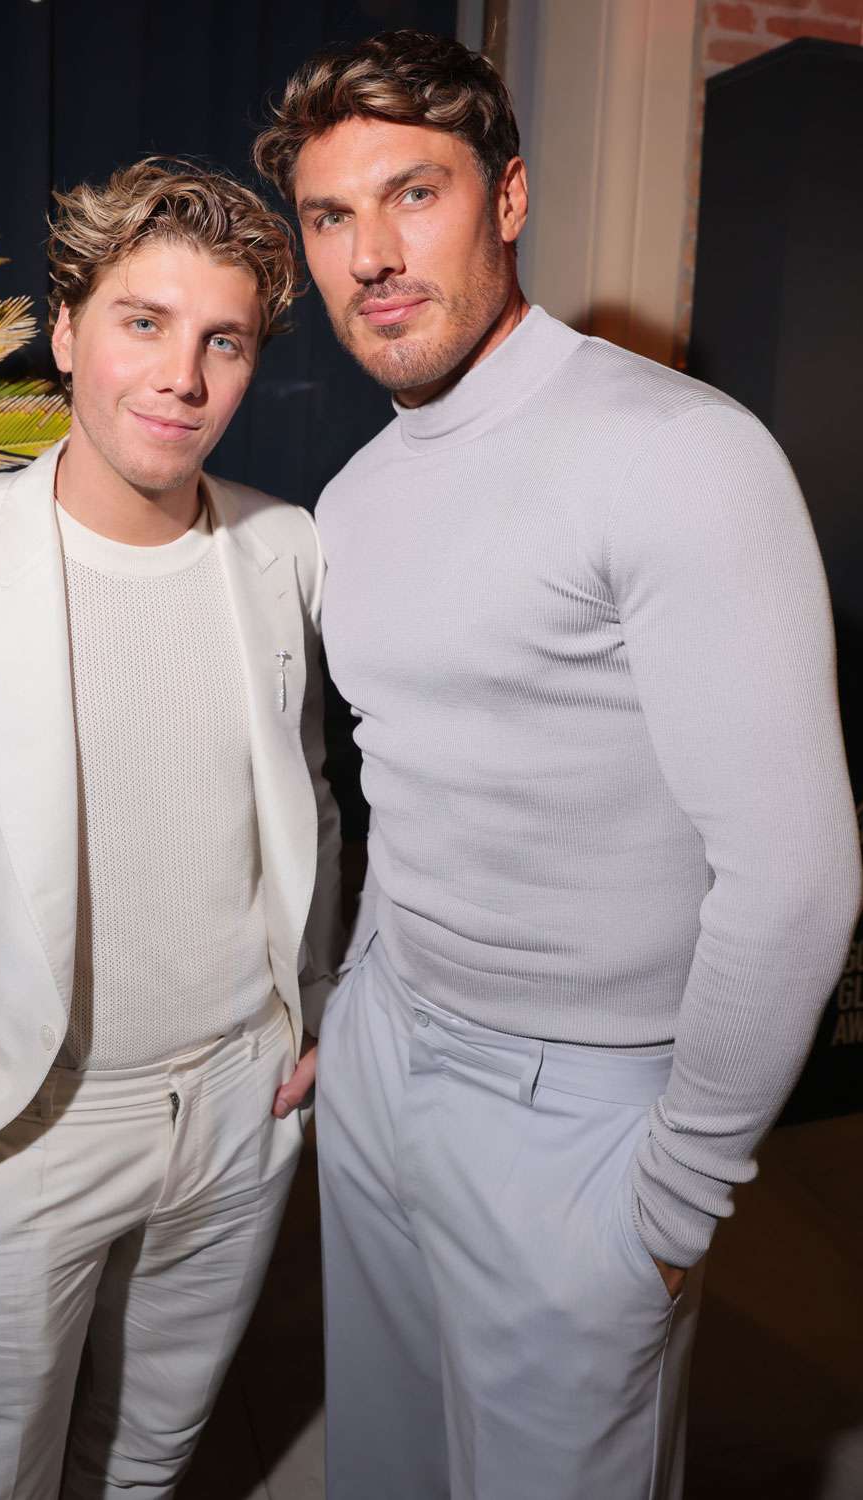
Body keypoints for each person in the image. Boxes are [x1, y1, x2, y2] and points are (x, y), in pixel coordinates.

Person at [254, 30, 861, 1500]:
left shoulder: (676, 453)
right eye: (332, 218)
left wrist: (674, 1200)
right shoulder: (355, 493)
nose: (372, 255)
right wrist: (360, 1006)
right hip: (394, 1055)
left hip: (583, 1114)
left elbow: (793, 880)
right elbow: (405, 785)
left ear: (508, 199)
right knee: (386, 1470)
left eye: (416, 194)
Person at [0, 157, 341, 1500]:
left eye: (224, 341)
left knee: (148, 1452)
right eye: (144, 323)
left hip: (235, 1106)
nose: (181, 377)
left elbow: (305, 796)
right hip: (21, 1128)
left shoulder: (284, 550)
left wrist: (305, 1016)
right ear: (69, 328)